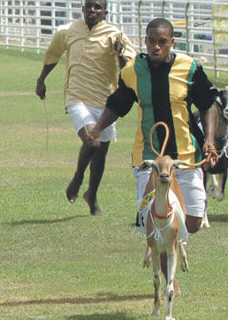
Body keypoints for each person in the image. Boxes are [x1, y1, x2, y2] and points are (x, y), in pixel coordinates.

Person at [87, 17, 217, 241]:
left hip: (186, 155)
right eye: (151, 41)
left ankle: (170, 245)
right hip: (149, 157)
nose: (156, 46)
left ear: (172, 42)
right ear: (145, 41)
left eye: (162, 42)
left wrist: (209, 140)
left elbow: (208, 106)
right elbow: (118, 104)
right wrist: (98, 128)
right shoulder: (133, 70)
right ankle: (168, 269)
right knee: (152, 219)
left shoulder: (189, 68)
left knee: (193, 222)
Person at [35, 0, 135, 215]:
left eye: (98, 7)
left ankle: (92, 195)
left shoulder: (115, 34)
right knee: (92, 142)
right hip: (76, 96)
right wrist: (41, 80)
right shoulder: (68, 32)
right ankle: (78, 178)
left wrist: (121, 57)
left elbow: (129, 66)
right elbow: (53, 55)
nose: (92, 10)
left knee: (101, 154)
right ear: (83, 8)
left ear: (105, 12)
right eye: (89, 6)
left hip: (106, 100)